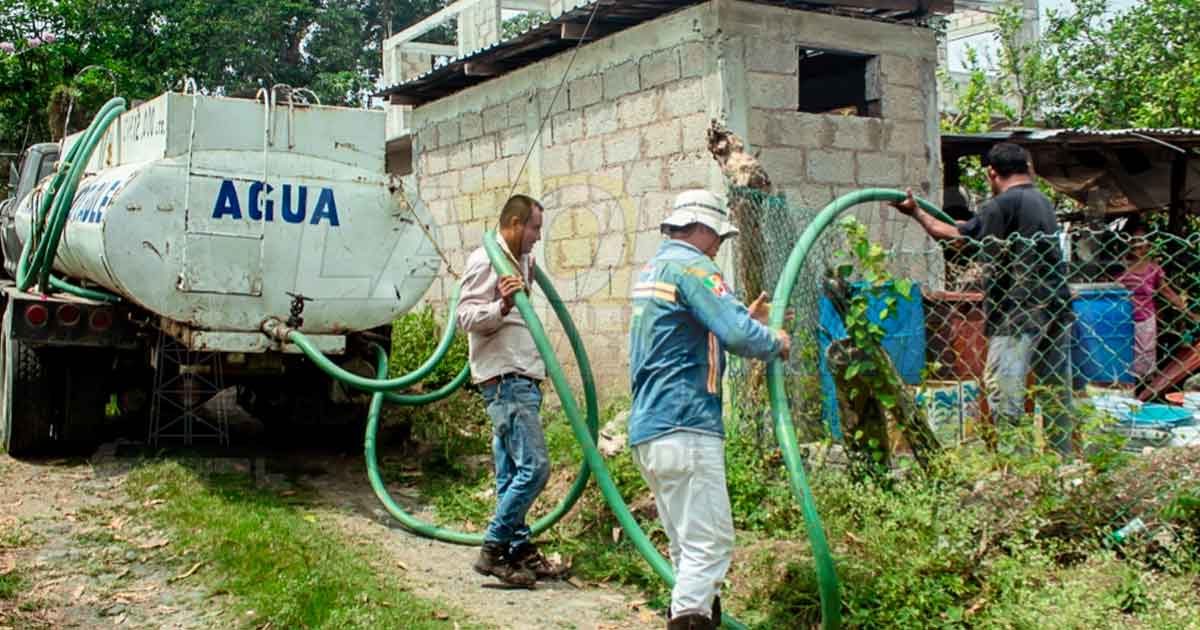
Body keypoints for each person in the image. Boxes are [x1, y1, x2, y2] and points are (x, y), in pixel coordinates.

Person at [627, 190, 791, 630]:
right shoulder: (695, 266)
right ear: (699, 228)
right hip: (686, 424)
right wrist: (774, 340)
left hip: (652, 429)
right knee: (710, 545)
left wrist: (741, 319)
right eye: (717, 235)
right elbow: (740, 336)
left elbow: (689, 340)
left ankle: (697, 617)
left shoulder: (654, 269)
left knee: (687, 550)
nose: (719, 245)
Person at [892, 142, 1074, 455]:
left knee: (1004, 392)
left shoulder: (1001, 206)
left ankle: (1017, 471)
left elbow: (959, 242)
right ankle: (1064, 460)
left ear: (991, 173)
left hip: (1017, 313)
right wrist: (922, 214)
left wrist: (916, 214)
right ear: (1026, 168)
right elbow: (967, 230)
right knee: (1056, 393)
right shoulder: (1041, 201)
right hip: (1056, 308)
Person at [456, 194, 560, 587]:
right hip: (507, 379)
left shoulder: (521, 262)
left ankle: (518, 549)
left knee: (511, 474)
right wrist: (500, 305)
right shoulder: (487, 260)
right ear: (515, 224)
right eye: (534, 228)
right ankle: (494, 548)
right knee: (536, 467)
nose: (537, 237)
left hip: (520, 376)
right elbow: (465, 316)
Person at [1117, 226, 1200, 378]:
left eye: (1141, 240)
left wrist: (1190, 314)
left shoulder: (1153, 269)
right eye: (1133, 240)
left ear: (1148, 245)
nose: (1136, 245)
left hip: (1145, 322)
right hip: (1120, 321)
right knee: (1121, 361)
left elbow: (1168, 293)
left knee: (1144, 364)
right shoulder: (1118, 267)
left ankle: (1143, 392)